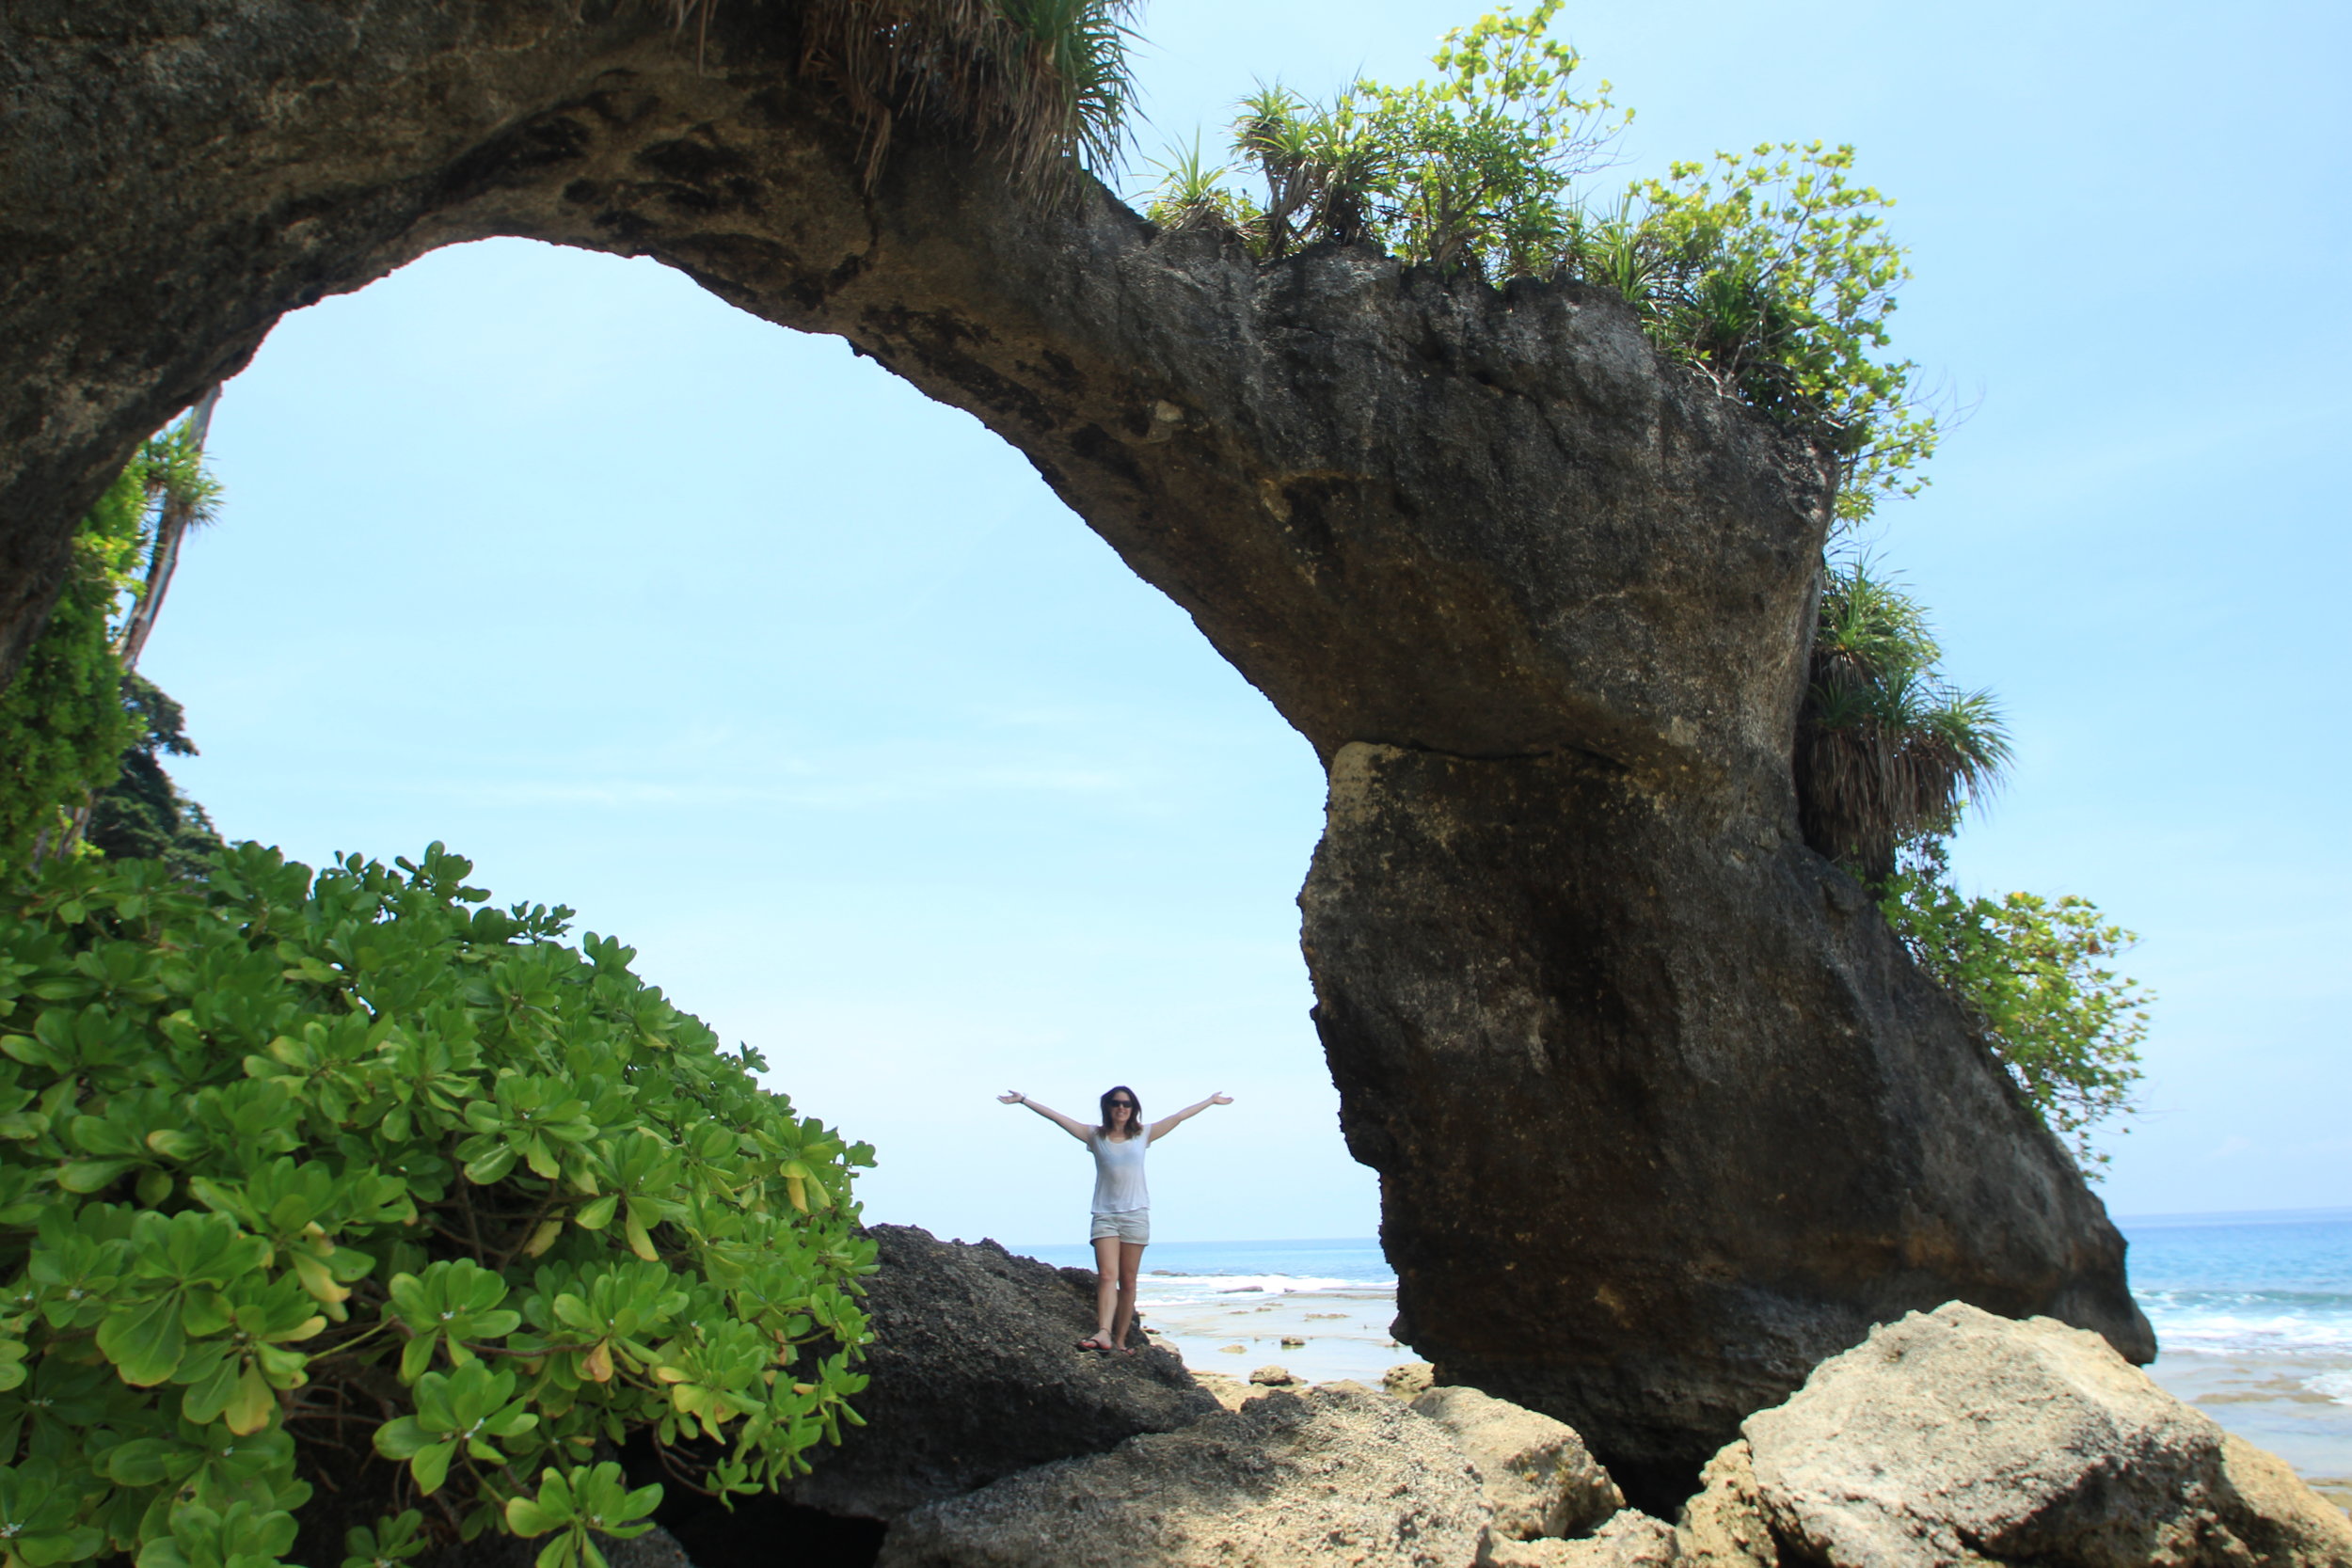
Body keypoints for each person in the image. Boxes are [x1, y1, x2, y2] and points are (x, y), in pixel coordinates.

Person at [998, 1085, 1233, 1353]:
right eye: (1115, 1103)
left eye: (1127, 1104)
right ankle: (1103, 1332)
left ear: (1133, 1109)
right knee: (1108, 1275)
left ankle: (1121, 1340)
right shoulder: (1094, 1136)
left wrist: (1210, 1101)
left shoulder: (1143, 1134)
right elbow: (1057, 1118)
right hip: (1105, 1216)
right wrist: (1024, 1101)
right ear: (1107, 1107)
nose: (1121, 1108)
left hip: (1136, 1215)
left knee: (1129, 1280)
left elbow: (1179, 1116)